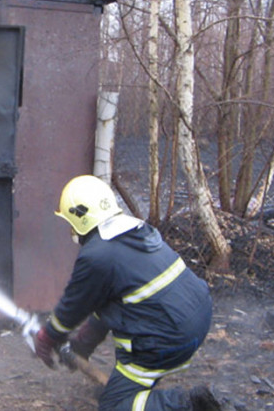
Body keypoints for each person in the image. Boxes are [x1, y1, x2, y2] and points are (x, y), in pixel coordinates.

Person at [34, 175, 220, 410]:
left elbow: (72, 307)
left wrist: (49, 335)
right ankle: (140, 392)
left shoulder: (97, 256)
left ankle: (187, 404)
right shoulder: (133, 231)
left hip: (168, 338)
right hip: (197, 316)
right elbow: (113, 304)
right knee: (123, 390)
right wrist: (83, 344)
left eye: (70, 221)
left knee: (115, 406)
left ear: (79, 218)